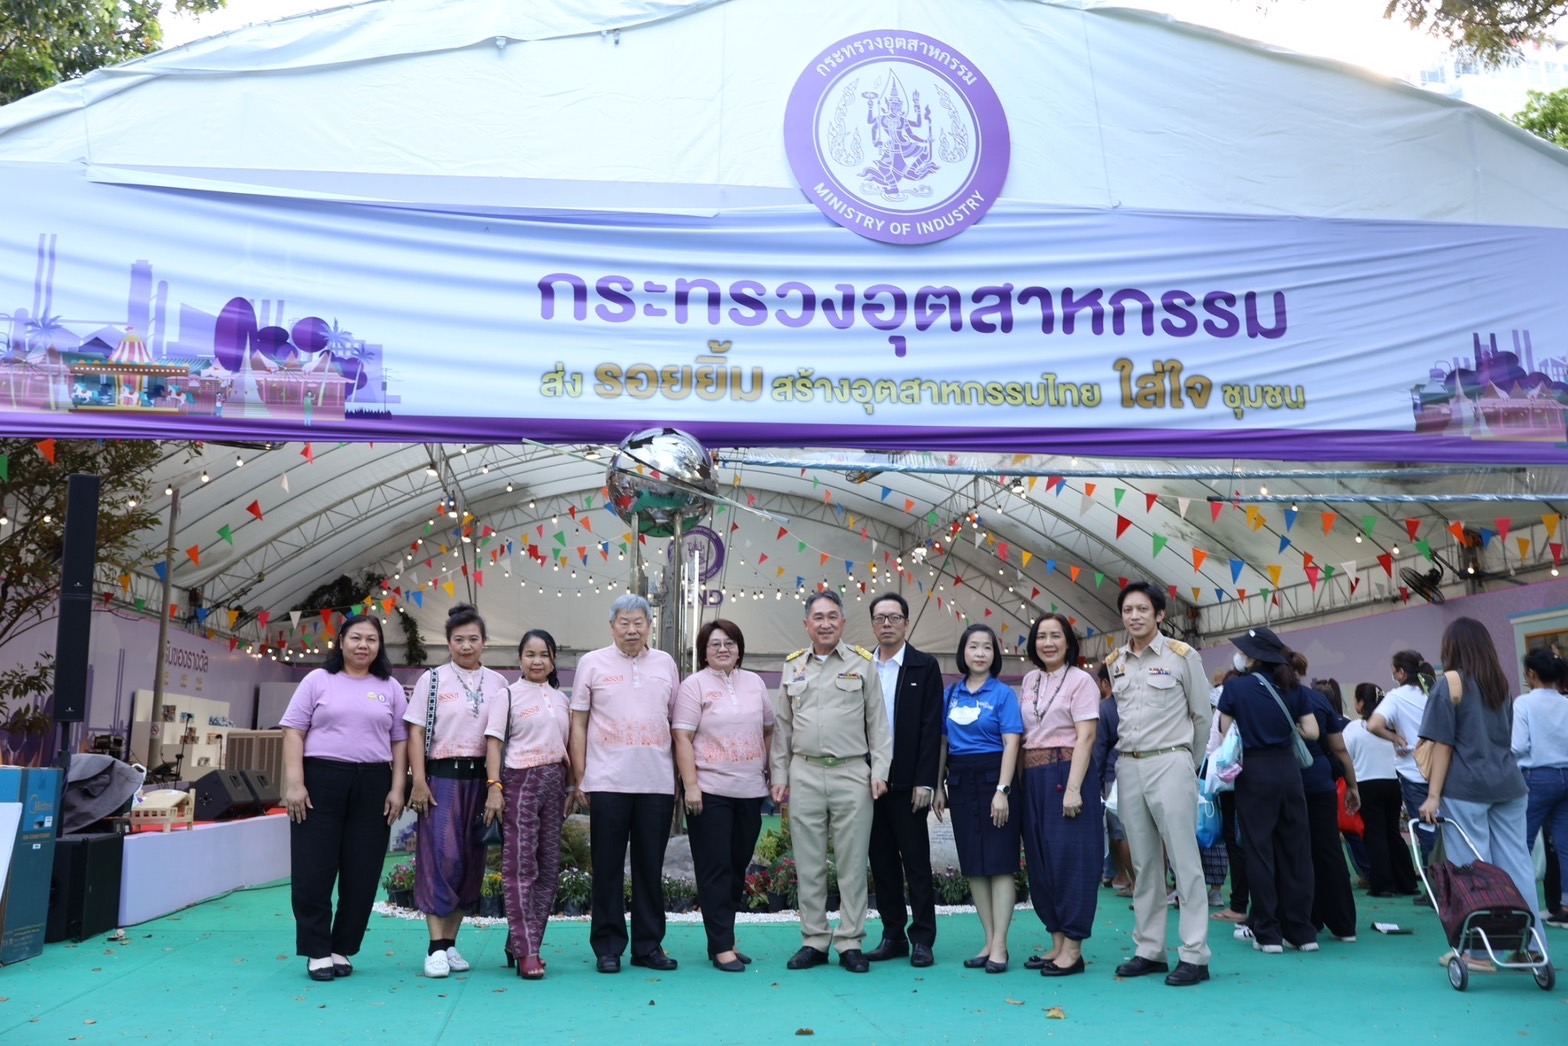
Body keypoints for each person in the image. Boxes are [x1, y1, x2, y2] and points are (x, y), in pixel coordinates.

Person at [280, 613, 408, 981]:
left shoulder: (390, 687)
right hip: (321, 779)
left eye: (371, 639)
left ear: (379, 646)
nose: (363, 645)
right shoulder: (317, 681)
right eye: (356, 638)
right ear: (341, 641)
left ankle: (341, 947)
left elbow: (399, 741)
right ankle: (317, 949)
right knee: (313, 867)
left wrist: (398, 787)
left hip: (374, 782)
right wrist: (295, 783)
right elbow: (292, 732)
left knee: (363, 871)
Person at [771, 590, 892, 975]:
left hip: (852, 771)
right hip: (804, 771)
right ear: (806, 624)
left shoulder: (862, 664)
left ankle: (851, 940)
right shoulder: (792, 667)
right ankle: (814, 939)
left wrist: (880, 771)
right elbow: (782, 727)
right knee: (807, 862)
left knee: (852, 863)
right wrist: (779, 774)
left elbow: (879, 723)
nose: (825, 623)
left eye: (833, 616)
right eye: (818, 617)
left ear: (842, 622)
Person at [1106, 582, 1211, 987]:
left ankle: (1195, 953)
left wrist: (1187, 763)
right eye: (1128, 610)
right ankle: (1150, 949)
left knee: (1184, 860)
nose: (1134, 616)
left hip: (1170, 761)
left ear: (1160, 615)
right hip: (1129, 766)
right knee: (1144, 863)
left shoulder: (1183, 657)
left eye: (1142, 610)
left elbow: (1201, 717)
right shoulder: (1116, 662)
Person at [569, 593, 681, 974]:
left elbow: (675, 721)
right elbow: (579, 723)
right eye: (624, 623)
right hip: (607, 781)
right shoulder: (592, 664)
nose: (632, 630)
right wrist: (580, 776)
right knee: (607, 866)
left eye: (639, 623)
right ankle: (608, 946)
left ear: (649, 626)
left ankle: (649, 946)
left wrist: (679, 780)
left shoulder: (666, 664)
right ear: (611, 626)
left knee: (650, 867)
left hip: (656, 782)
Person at [1419, 617, 1537, 968]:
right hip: (1509, 785)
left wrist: (1433, 795)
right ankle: (1528, 944)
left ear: (1451, 647)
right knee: (1517, 866)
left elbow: (1442, 745)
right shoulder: (1500, 684)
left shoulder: (1449, 683)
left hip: (1466, 788)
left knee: (1472, 870)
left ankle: (1481, 952)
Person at [405, 604, 510, 978]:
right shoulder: (432, 680)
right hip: (441, 781)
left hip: (482, 781)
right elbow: (415, 731)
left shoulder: (499, 684)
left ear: (485, 643)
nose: (466, 646)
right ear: (448, 642)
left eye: (473, 639)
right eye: (458, 640)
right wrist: (418, 779)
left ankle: (450, 944)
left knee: (470, 861)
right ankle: (434, 947)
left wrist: (496, 786)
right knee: (440, 858)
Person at [673, 620, 774, 973]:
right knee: (714, 868)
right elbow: (682, 738)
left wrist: (772, 774)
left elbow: (768, 730)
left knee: (735, 867)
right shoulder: (693, 686)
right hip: (710, 791)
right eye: (714, 644)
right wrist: (691, 786)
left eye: (729, 643)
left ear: (739, 648)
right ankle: (720, 947)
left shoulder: (755, 683)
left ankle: (725, 938)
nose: (722, 650)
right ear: (703, 651)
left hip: (750, 790)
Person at [1216, 627, 1320, 954]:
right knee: (1297, 851)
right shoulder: (1293, 688)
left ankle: (1267, 932)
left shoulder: (1235, 689)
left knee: (1259, 851)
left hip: (1254, 773)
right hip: (1289, 771)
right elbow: (1312, 732)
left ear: (1253, 656)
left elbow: (1225, 732)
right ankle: (1302, 932)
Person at [933, 623, 1023, 973]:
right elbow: (942, 742)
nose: (980, 653)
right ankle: (988, 939)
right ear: (963, 652)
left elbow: (1012, 742)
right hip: (959, 780)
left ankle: (1001, 944)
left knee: (999, 865)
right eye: (974, 647)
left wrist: (1002, 790)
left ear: (994, 655)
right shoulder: (951, 694)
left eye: (987, 647)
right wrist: (939, 784)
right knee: (974, 867)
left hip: (994, 778)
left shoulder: (1003, 695)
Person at [863, 593, 944, 968]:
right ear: (873, 624)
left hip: (910, 784)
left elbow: (932, 728)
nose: (887, 624)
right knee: (880, 863)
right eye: (880, 618)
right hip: (868, 783)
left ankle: (923, 937)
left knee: (916, 862)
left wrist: (927, 782)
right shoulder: (862, 666)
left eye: (894, 617)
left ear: (906, 623)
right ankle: (892, 933)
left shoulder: (923, 666)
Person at [1016, 613, 1100, 976]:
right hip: (1033, 775)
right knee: (1040, 859)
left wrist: (1074, 789)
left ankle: (1074, 949)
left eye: (1055, 636)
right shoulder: (1031, 679)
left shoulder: (1082, 680)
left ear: (1068, 642)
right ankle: (1056, 942)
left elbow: (1086, 737)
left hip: (1066, 771)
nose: (1047, 643)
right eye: (1041, 636)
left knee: (1070, 860)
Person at [486, 629, 571, 980]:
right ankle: (528, 952)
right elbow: (493, 744)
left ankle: (520, 942)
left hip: (555, 782)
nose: (538, 661)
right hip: (520, 781)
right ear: (519, 659)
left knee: (549, 869)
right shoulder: (507, 696)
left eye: (545, 655)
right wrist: (495, 787)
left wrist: (572, 786)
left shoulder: (561, 698)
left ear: (553, 661)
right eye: (530, 654)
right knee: (521, 869)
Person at [1301, 668, 1360, 942]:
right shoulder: (1320, 701)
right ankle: (1344, 924)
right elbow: (1339, 749)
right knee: (1330, 852)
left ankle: (1308, 920)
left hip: (1293, 783)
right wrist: (1352, 785)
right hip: (1323, 781)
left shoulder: (1281, 697)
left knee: (1297, 854)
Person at [1345, 683, 1420, 897]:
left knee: (1374, 835)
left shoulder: (1353, 729)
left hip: (1366, 784)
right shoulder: (1392, 729)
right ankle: (1407, 882)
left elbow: (1345, 755)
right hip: (1391, 783)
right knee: (1393, 833)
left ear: (1360, 703)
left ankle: (1383, 884)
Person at [1513, 648, 1568, 929]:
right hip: (1567, 775)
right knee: (1565, 844)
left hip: (1537, 777)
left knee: (1520, 844)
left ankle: (1519, 905)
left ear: (1531, 674)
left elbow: (1518, 745)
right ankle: (1566, 906)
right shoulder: (1566, 702)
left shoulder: (1523, 703)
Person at [1369, 650, 1438, 868]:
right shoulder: (1434, 691)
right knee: (1449, 828)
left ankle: (1436, 888)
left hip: (1413, 769)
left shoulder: (1396, 697)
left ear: (1401, 673)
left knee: (1426, 829)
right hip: (1443, 769)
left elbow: (1373, 725)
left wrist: (1394, 737)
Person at [1091, 663, 1134, 898]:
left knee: (1120, 832)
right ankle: (1147, 881)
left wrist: (1095, 782)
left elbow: (1099, 748)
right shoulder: (1136, 702)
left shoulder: (1106, 709)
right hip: (1141, 770)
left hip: (1114, 775)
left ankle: (1131, 880)